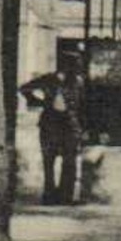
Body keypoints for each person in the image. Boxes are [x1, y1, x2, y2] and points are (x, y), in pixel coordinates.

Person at [19, 63, 85, 205]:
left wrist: (81, 126)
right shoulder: (48, 79)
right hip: (50, 123)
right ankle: (49, 195)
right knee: (49, 160)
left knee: (70, 161)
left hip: (69, 125)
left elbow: (83, 104)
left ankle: (66, 196)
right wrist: (39, 102)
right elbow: (24, 88)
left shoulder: (77, 82)